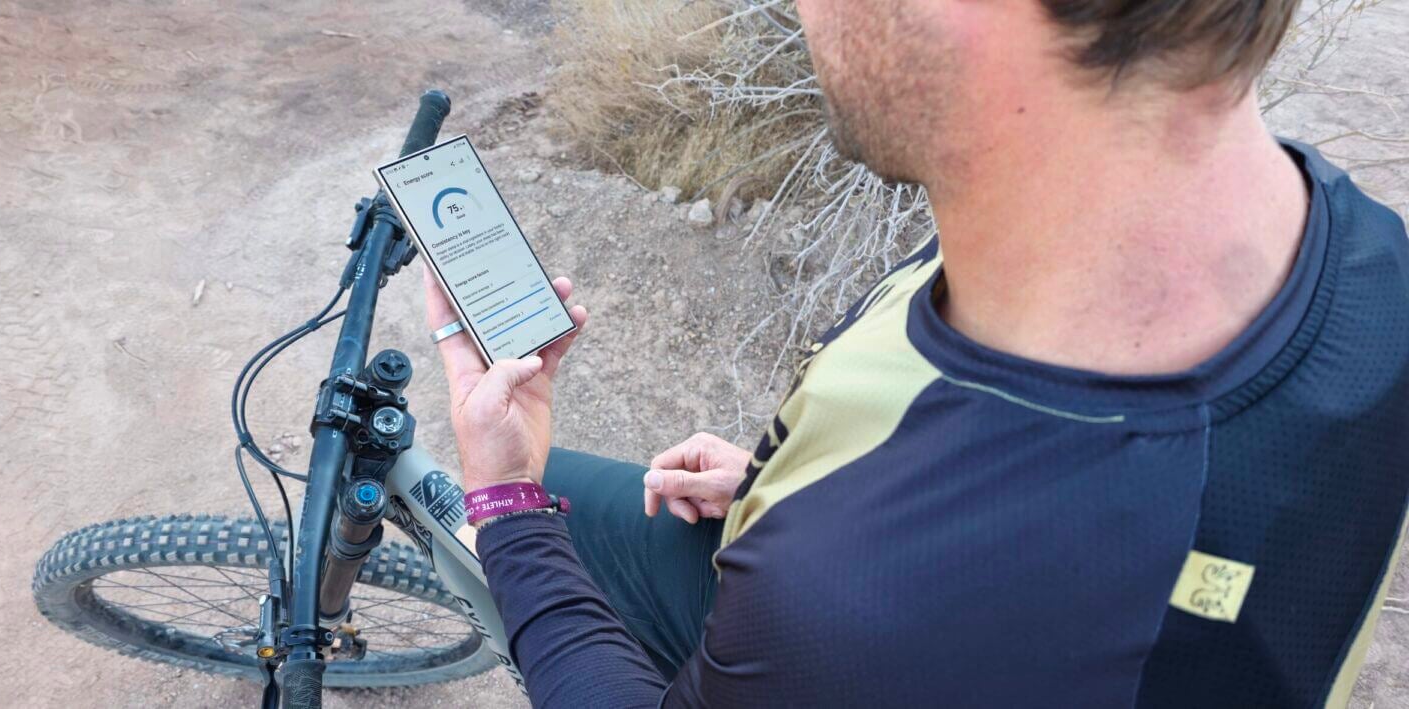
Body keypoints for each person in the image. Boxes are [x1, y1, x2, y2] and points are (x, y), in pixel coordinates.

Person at [424, 0, 1409, 706]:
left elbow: (904, 596)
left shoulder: (869, 604)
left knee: (522, 527)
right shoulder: (1370, 258)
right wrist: (783, 482)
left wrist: (508, 506)